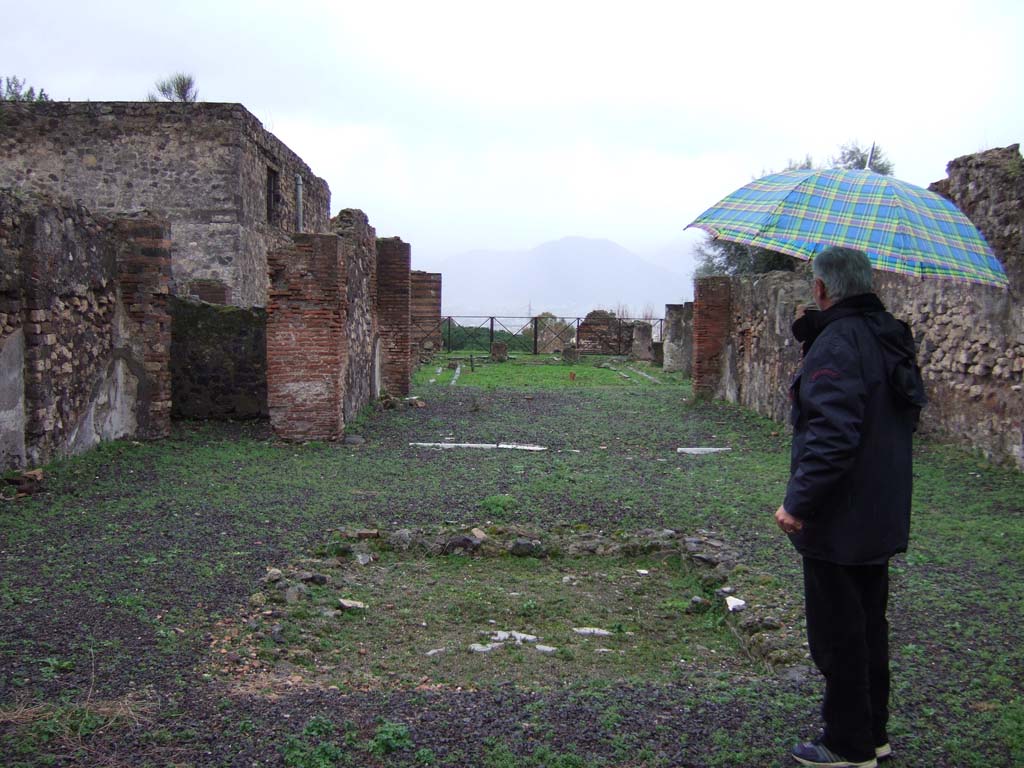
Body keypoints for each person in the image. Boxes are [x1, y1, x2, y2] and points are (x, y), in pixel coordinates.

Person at [774, 246, 926, 768]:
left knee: (838, 634)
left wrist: (798, 503)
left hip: (839, 517)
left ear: (821, 288)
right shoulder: (888, 335)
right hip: (878, 510)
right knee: (867, 627)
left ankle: (847, 744)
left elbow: (833, 435)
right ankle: (872, 732)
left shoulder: (839, 342)